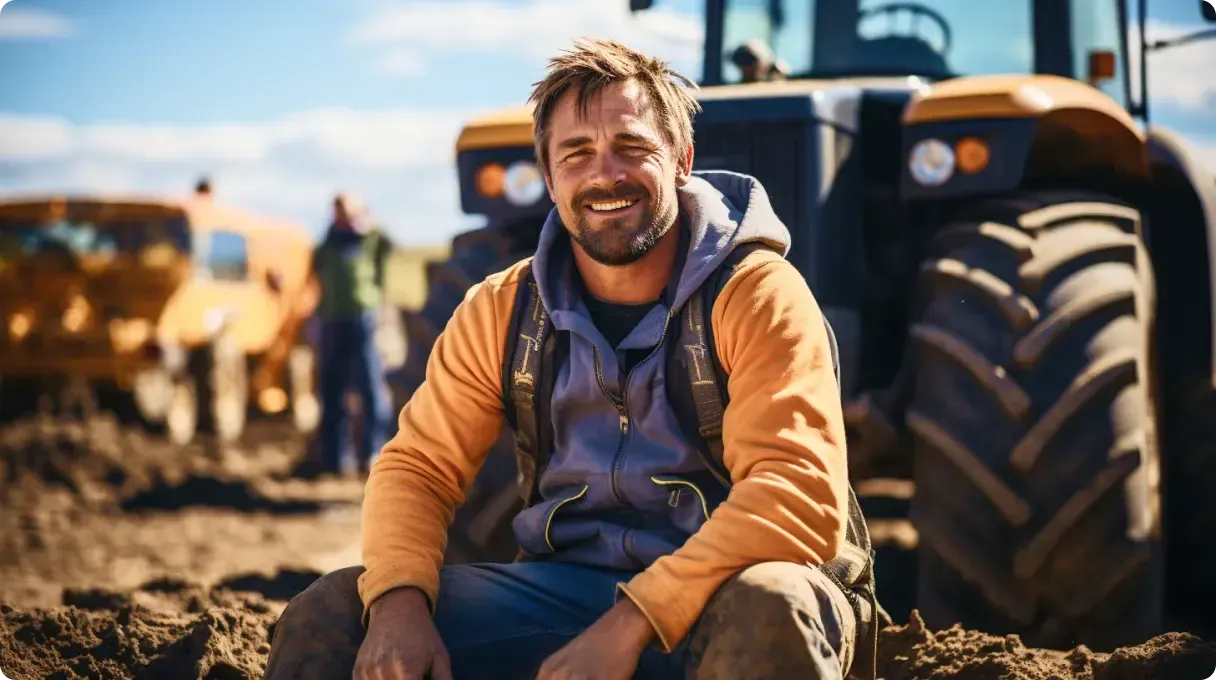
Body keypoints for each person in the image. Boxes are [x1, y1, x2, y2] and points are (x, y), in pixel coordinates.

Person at [264, 38, 871, 680]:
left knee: (768, 606)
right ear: (550, 180)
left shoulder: (756, 293)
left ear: (682, 160)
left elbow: (797, 495)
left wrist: (631, 623)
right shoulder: (500, 309)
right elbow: (417, 466)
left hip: (730, 592)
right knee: (332, 614)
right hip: (566, 593)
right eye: (577, 154)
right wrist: (397, 605)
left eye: (632, 148)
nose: (605, 174)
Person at [307, 192, 395, 477]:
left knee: (369, 386)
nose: (342, 214)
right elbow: (315, 274)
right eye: (338, 209)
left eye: (347, 209)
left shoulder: (370, 239)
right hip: (332, 319)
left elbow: (388, 247)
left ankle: (372, 453)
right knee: (332, 389)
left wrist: (367, 220)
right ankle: (335, 459)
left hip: (363, 318)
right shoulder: (327, 244)